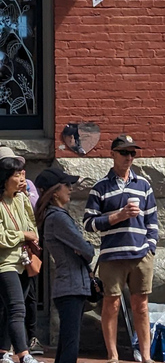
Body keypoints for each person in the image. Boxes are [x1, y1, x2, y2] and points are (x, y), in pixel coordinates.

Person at [83, 135, 158, 363]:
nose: (129, 157)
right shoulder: (100, 188)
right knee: (111, 304)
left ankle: (146, 356)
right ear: (112, 154)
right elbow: (89, 223)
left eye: (132, 153)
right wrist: (118, 216)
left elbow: (152, 221)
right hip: (112, 256)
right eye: (124, 152)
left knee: (141, 307)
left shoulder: (143, 185)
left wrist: (151, 247)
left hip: (140, 255)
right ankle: (112, 355)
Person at [33, 168, 94, 363]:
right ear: (54, 191)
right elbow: (87, 250)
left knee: (67, 343)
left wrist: (83, 249)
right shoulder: (58, 217)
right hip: (70, 286)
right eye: (66, 185)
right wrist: (87, 248)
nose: (70, 188)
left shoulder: (56, 215)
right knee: (70, 345)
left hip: (71, 285)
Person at [0, 147, 40, 363]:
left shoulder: (22, 198)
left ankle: (2, 351)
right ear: (5, 177)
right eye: (17, 174)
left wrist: (31, 236)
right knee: (17, 308)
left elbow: (32, 225)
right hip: (5, 263)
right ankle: (24, 355)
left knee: (9, 309)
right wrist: (22, 234)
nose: (22, 177)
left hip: (24, 261)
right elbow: (1, 237)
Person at [22, 180, 42, 356]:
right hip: (5, 254)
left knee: (30, 296)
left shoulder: (28, 185)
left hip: (25, 254)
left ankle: (32, 337)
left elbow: (37, 211)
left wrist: (26, 195)